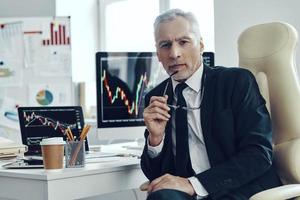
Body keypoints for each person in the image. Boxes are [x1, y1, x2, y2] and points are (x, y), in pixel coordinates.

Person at [140, 8, 282, 200]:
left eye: (183, 42)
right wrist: (155, 139)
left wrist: (194, 183)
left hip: (239, 187)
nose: (174, 53)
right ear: (158, 53)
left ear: (200, 45)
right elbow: (157, 176)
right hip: (189, 194)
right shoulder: (157, 96)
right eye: (165, 45)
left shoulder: (236, 82)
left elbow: (258, 154)